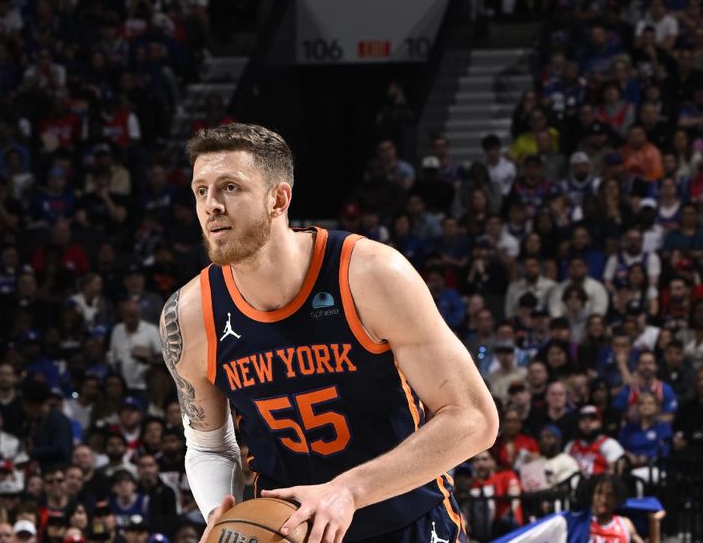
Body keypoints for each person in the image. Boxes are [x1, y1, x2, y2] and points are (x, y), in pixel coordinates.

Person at [158, 124, 498, 542]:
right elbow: (208, 446)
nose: (211, 206)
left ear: (278, 199)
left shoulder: (369, 274)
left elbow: (475, 419)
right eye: (201, 191)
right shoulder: (189, 315)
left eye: (230, 188)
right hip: (291, 533)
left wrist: (348, 491)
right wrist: (221, 511)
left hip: (409, 524)